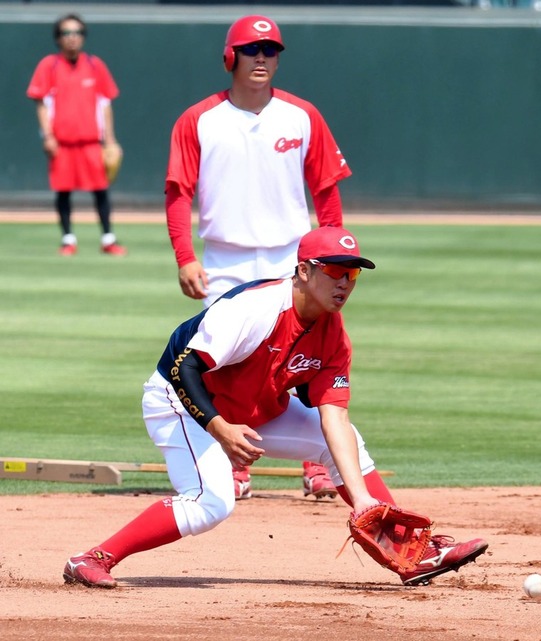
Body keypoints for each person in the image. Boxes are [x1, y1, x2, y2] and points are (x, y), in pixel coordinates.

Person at [62, 226, 488, 589]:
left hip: (254, 410)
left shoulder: (333, 334)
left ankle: (414, 555)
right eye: (336, 272)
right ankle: (93, 558)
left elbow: (333, 416)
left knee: (344, 443)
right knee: (212, 503)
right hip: (180, 404)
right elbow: (183, 367)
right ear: (303, 271)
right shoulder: (255, 309)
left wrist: (362, 501)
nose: (345, 283)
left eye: (353, 275)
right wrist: (219, 428)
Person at [165, 15, 348, 499]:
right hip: (225, 260)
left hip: (295, 257)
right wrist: (185, 256)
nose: (262, 58)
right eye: (251, 49)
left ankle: (317, 460)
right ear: (230, 57)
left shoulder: (302, 115)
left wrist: (332, 256)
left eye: (271, 50)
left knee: (304, 360)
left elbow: (326, 192)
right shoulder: (199, 119)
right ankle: (238, 460)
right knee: (228, 365)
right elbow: (178, 193)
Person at [26, 13, 126, 257]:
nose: (72, 38)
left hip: (91, 141)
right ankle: (68, 239)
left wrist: (110, 140)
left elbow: (105, 103)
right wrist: (47, 136)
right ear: (58, 38)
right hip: (62, 142)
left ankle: (108, 238)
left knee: (101, 190)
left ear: (83, 37)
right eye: (66, 33)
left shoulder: (94, 65)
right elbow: (41, 103)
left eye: (77, 33)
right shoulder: (49, 66)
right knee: (63, 191)